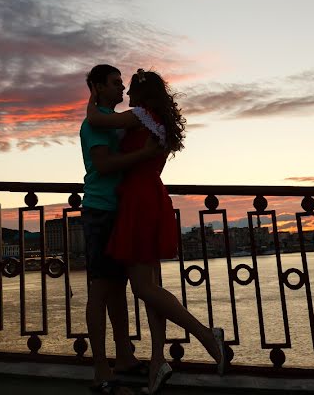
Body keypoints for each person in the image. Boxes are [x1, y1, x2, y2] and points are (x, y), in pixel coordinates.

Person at [87, 68, 227, 395]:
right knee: (150, 287)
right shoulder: (158, 119)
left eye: (129, 88)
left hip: (138, 202)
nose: (126, 92)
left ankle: (207, 335)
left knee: (143, 288)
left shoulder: (139, 115)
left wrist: (92, 101)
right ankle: (157, 363)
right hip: (151, 197)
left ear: (139, 94)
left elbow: (98, 121)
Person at [80, 64, 162, 393]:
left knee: (118, 291)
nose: (121, 90)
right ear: (99, 88)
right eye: (115, 84)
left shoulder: (117, 122)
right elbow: (103, 165)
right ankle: (101, 369)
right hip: (100, 211)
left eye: (122, 84)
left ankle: (124, 355)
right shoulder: (95, 125)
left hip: (119, 211)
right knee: (100, 291)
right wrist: (143, 155)